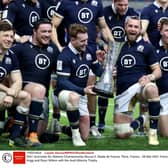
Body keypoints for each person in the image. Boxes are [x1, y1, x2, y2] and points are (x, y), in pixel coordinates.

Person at [51, 0, 114, 137]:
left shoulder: (97, 3)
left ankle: (90, 124)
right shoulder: (65, 3)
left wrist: (112, 46)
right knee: (62, 82)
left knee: (91, 83)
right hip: (71, 50)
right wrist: (58, 46)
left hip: (89, 52)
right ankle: (56, 119)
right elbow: (53, 26)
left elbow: (103, 27)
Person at [7, 18, 59, 146]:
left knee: (40, 133)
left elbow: (62, 71)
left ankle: (24, 129)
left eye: (49, 31)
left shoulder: (53, 50)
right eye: (43, 31)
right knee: (38, 89)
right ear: (34, 32)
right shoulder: (20, 48)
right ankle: (31, 134)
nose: (47, 35)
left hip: (41, 98)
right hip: (21, 92)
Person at [114, 16, 162, 146]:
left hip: (139, 87)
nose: (133, 29)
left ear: (140, 29)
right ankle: (143, 118)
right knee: (121, 134)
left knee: (152, 88)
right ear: (125, 27)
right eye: (130, 26)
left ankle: (153, 132)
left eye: (136, 27)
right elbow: (112, 68)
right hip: (122, 92)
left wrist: (149, 77)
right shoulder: (118, 46)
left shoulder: (147, 47)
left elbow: (157, 71)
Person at [55, 23, 104, 146]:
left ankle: (63, 128)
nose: (85, 43)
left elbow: (97, 70)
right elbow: (62, 82)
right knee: (74, 97)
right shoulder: (64, 55)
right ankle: (75, 136)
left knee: (85, 136)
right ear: (72, 40)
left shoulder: (89, 51)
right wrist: (82, 90)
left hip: (81, 94)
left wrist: (108, 69)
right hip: (62, 94)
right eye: (82, 41)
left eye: (86, 40)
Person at [97, 0, 139, 133]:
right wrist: (103, 44)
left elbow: (136, 33)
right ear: (114, 2)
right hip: (109, 54)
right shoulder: (104, 12)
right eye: (120, 5)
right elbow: (96, 34)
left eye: (126, 5)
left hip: (126, 54)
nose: (123, 8)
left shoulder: (132, 13)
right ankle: (101, 122)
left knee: (126, 86)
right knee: (105, 87)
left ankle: (129, 116)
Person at [0, 21, 31, 147]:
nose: (9, 39)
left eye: (11, 36)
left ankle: (15, 137)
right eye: (5, 36)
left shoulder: (11, 55)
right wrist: (7, 91)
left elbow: (18, 80)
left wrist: (11, 95)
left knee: (25, 96)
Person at [155, 18, 168, 137]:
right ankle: (147, 118)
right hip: (162, 97)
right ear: (161, 32)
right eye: (167, 30)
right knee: (165, 133)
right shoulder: (153, 50)